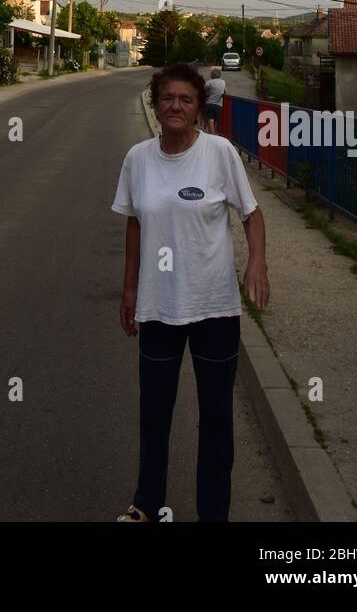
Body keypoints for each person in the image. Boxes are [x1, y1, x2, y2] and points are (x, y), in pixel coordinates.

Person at [112, 63, 269, 523]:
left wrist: (257, 261)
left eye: (185, 99)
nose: (175, 106)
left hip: (214, 308)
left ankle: (213, 513)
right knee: (154, 414)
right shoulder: (138, 158)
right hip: (159, 307)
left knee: (217, 418)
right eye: (167, 98)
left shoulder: (220, 153)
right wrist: (128, 290)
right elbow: (135, 224)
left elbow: (252, 214)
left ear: (199, 107)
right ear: (156, 104)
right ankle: (146, 505)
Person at [203, 66, 226, 132]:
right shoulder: (223, 82)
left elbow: (203, 90)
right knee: (216, 121)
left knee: (210, 120)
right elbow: (224, 92)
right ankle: (215, 135)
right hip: (219, 105)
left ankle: (211, 135)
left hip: (209, 104)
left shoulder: (209, 82)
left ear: (212, 75)